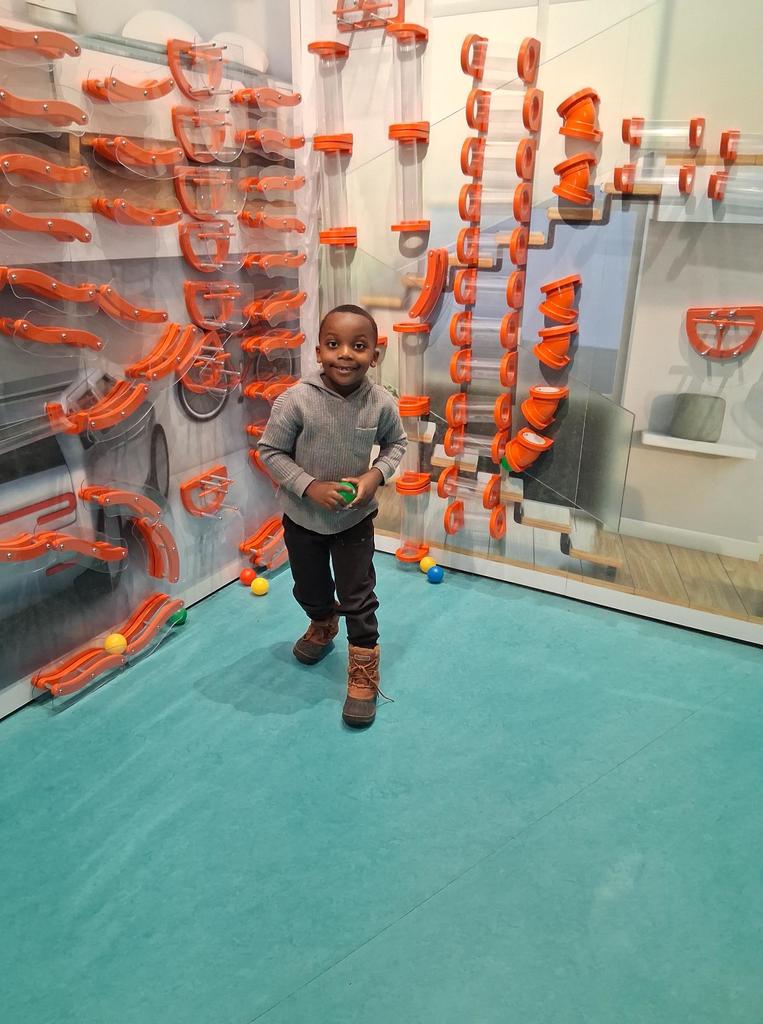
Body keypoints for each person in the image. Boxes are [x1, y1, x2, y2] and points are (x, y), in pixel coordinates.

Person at [258, 304, 407, 728]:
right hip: (302, 520)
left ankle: (363, 665)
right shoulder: (296, 401)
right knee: (309, 587)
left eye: (359, 346)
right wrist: (310, 486)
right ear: (319, 351)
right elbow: (270, 451)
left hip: (354, 523)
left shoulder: (381, 403)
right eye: (334, 344)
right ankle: (321, 623)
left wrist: (374, 476)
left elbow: (397, 444)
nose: (346, 354)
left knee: (359, 595)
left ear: (374, 356)